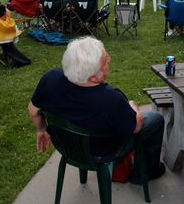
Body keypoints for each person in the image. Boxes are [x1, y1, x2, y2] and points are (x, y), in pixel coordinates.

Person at [28, 36, 166, 184]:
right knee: (155, 119)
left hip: (67, 147)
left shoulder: (50, 78)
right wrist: (133, 106)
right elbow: (136, 127)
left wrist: (42, 130)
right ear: (93, 77)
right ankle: (141, 175)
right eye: (105, 61)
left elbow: (33, 111)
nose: (110, 59)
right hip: (103, 152)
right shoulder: (112, 99)